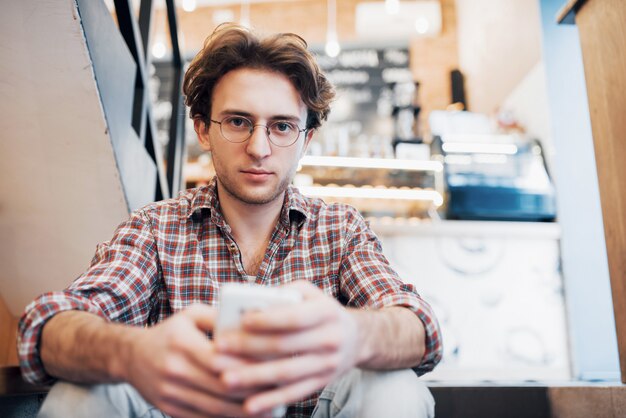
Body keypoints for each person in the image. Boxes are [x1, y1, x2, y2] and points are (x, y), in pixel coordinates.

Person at [18, 23, 442, 418]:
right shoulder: (155, 228)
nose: (259, 147)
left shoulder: (340, 229)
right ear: (203, 130)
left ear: (305, 139)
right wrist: (131, 353)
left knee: (394, 387)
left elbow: (417, 325)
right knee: (83, 391)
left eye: (281, 126)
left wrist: (353, 335)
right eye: (238, 121)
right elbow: (50, 324)